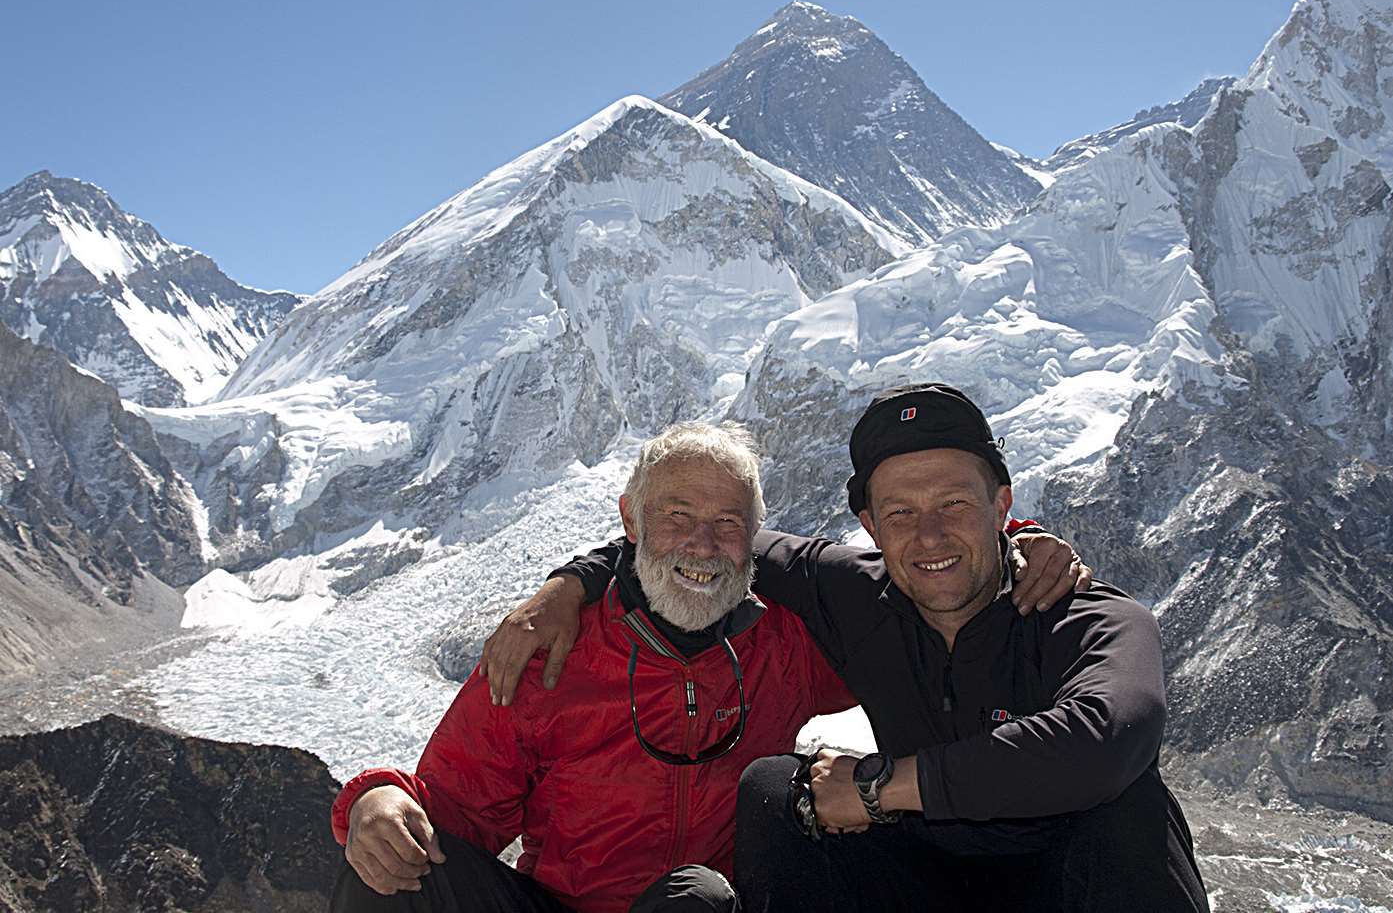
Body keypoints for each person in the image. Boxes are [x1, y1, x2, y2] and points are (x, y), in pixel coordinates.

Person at [484, 384, 1208, 912]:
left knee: (1130, 807)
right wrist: (569, 584)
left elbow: (1106, 738)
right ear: (868, 521)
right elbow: (696, 537)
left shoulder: (1085, 614)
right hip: (925, 876)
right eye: (900, 511)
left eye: (954, 503)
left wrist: (879, 786)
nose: (928, 535)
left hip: (1068, 880)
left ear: (1002, 506)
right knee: (777, 788)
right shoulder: (849, 589)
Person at [330, 420, 1083, 913]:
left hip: (699, 907)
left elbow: (925, 577)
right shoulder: (550, 647)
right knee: (389, 876)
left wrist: (1014, 537)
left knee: (699, 898)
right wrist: (371, 801)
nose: (700, 542)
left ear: (755, 536)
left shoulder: (792, 637)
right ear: (630, 520)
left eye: (726, 523)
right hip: (557, 904)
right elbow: (448, 807)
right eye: (676, 516)